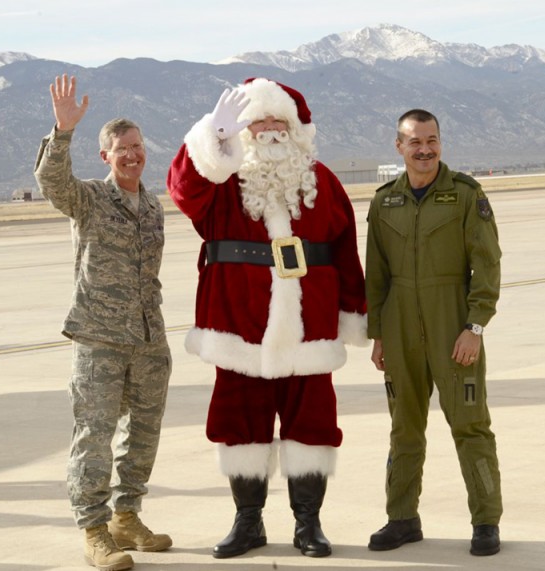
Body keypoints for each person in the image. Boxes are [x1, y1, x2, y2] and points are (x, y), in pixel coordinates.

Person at [166, 77, 368, 559]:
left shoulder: (323, 181)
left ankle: (308, 525)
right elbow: (182, 190)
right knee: (239, 426)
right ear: (243, 130)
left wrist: (355, 316)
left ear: (297, 130)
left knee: (313, 428)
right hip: (239, 328)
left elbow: (345, 254)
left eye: (280, 121)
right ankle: (248, 522)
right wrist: (210, 138)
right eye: (259, 121)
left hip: (310, 331)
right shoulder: (221, 184)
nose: (270, 129)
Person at [34, 74, 172, 571]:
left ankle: (126, 517)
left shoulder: (153, 206)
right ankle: (94, 530)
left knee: (144, 432)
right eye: (122, 149)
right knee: (94, 432)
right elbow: (52, 183)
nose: (132, 155)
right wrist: (62, 132)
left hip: (148, 338)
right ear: (105, 156)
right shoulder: (89, 198)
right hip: (100, 339)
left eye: (137, 147)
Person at [364, 109, 504, 556]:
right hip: (400, 325)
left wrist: (474, 326)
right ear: (398, 146)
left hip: (453, 325)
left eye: (432, 140)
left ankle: (485, 521)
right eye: (415, 141)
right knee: (404, 428)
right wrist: (378, 334)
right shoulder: (384, 201)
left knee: (470, 426)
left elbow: (487, 263)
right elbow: (377, 276)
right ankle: (401, 518)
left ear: (440, 142)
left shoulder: (465, 194)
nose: (425, 149)